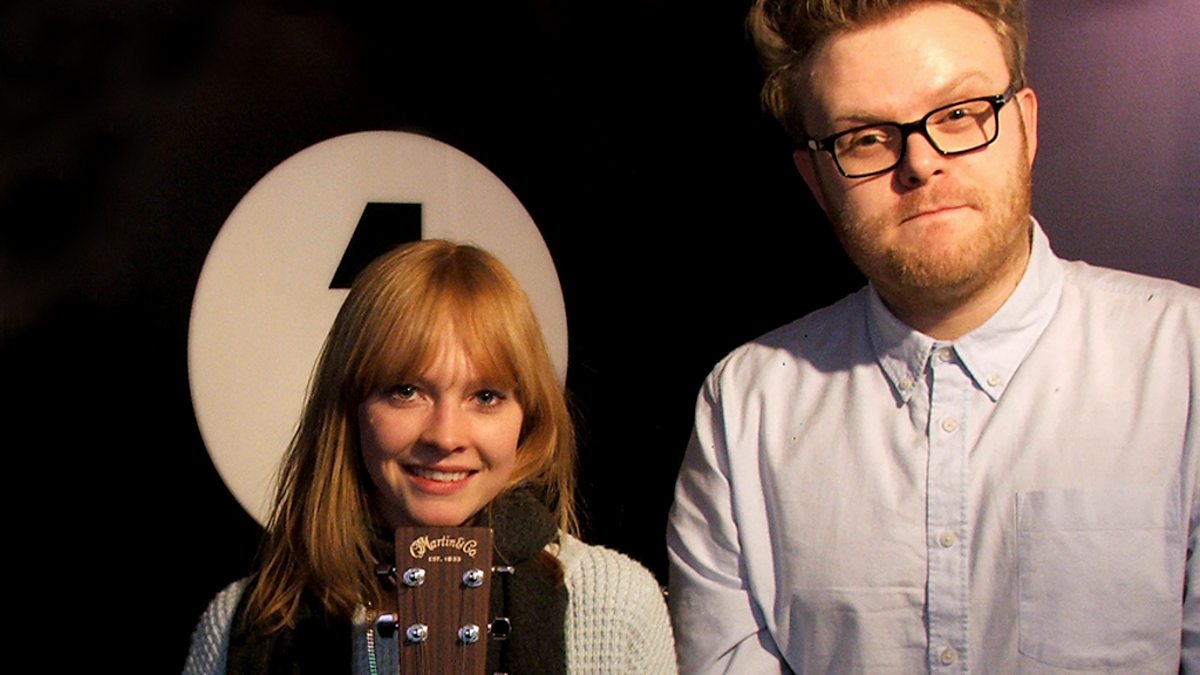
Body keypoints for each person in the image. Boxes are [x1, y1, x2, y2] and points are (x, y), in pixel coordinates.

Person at [667, 1, 1199, 672]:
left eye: (959, 114)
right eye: (865, 137)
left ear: (1026, 125)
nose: (920, 162)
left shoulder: (1186, 362)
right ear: (816, 180)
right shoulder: (745, 406)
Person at [184, 240, 676, 674]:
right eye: (406, 391)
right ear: (352, 407)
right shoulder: (240, 625)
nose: (445, 436)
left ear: (528, 416)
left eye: (485, 396)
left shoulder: (615, 605)